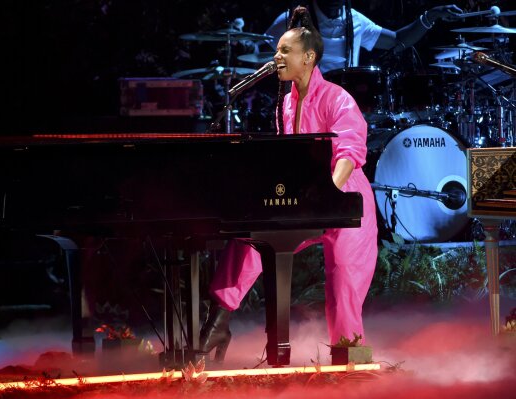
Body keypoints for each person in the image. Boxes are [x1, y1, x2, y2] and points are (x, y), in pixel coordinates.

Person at [198, 5, 378, 362]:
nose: (276, 57)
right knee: (250, 240)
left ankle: (347, 359)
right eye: (277, 50)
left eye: (284, 51)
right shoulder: (286, 103)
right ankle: (219, 320)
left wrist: (325, 195)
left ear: (308, 57)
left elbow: (349, 151)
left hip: (345, 200)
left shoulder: (337, 98)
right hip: (304, 198)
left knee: (343, 277)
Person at [264, 0, 463, 73]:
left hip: (343, 104)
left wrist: (431, 16)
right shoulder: (293, 20)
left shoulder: (355, 20)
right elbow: (261, 49)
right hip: (305, 106)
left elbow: (397, 40)